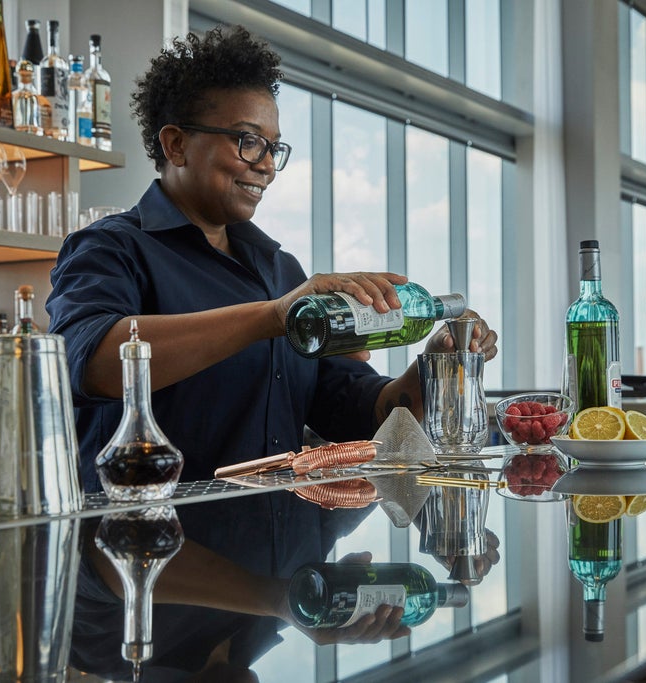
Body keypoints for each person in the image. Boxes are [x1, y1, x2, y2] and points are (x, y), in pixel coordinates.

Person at [47, 23, 499, 660]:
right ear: (174, 143)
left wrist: (432, 372)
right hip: (134, 558)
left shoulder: (277, 269)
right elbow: (93, 361)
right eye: (247, 140)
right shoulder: (111, 248)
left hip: (273, 553)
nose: (265, 163)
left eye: (273, 148)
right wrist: (272, 316)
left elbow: (352, 409)